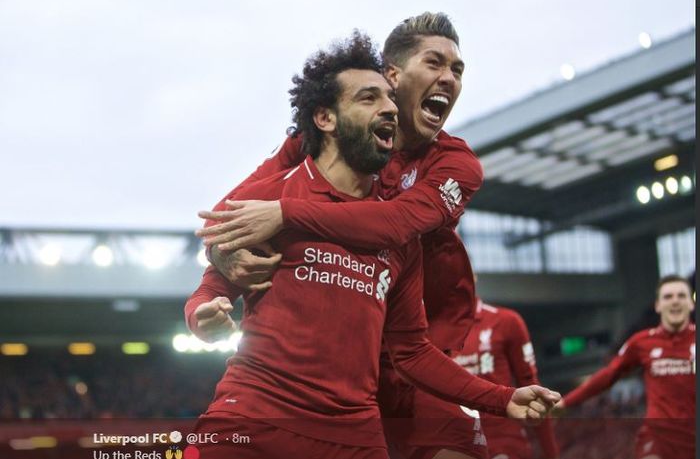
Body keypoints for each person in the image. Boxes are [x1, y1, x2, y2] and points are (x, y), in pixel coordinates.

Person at [187, 32, 560, 459]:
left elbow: (395, 228)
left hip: (399, 370)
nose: (448, 78)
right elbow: (221, 224)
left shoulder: (451, 167)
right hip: (259, 413)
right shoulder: (296, 165)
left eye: (457, 70)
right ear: (395, 75)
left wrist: (501, 398)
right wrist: (221, 264)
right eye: (434, 63)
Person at [553, 275, 695, 459]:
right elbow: (608, 375)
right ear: (658, 305)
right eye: (668, 297)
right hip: (657, 437)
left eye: (681, 296)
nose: (675, 301)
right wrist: (567, 401)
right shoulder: (641, 342)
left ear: (691, 303)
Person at [452, 292, 559, 459]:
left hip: (502, 442)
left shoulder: (505, 322)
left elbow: (533, 390)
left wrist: (551, 454)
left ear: (473, 276)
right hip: (455, 444)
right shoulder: (429, 333)